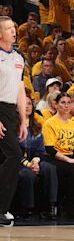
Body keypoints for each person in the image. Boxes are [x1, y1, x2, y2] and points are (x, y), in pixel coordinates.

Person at [0, 16, 28, 226]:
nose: (13, 31)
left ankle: (3, 208)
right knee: (14, 154)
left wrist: (24, 120)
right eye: (8, 28)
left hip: (10, 111)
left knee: (10, 157)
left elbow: (20, 89)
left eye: (14, 27)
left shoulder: (18, 58)